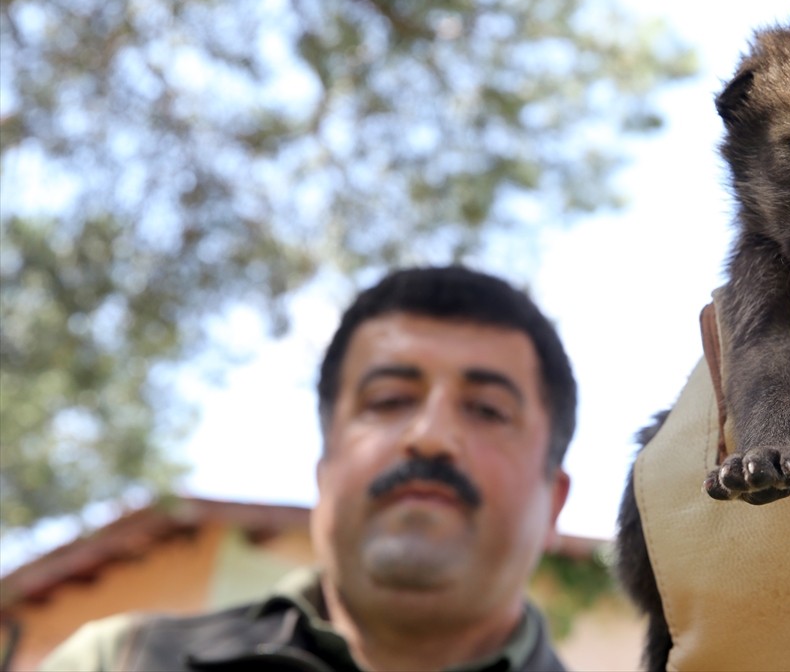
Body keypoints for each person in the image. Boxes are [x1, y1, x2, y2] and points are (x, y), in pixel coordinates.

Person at [40, 266, 577, 672]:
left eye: (487, 410)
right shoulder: (117, 662)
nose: (431, 436)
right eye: (389, 400)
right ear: (323, 472)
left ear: (554, 501)